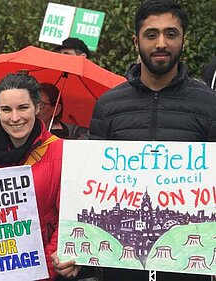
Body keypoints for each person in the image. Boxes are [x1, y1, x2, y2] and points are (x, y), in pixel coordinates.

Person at [52, 1, 216, 281]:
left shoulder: (209, 104)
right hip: (121, 270)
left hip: (189, 272)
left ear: (184, 40)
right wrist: (77, 253)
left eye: (171, 34)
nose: (161, 43)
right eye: (151, 34)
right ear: (136, 40)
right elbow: (89, 182)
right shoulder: (108, 105)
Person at [0, 73, 63, 281]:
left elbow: (67, 221)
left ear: (37, 108)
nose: (15, 118)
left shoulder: (60, 151)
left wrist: (43, 271)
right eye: (6, 109)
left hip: (43, 271)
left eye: (23, 108)